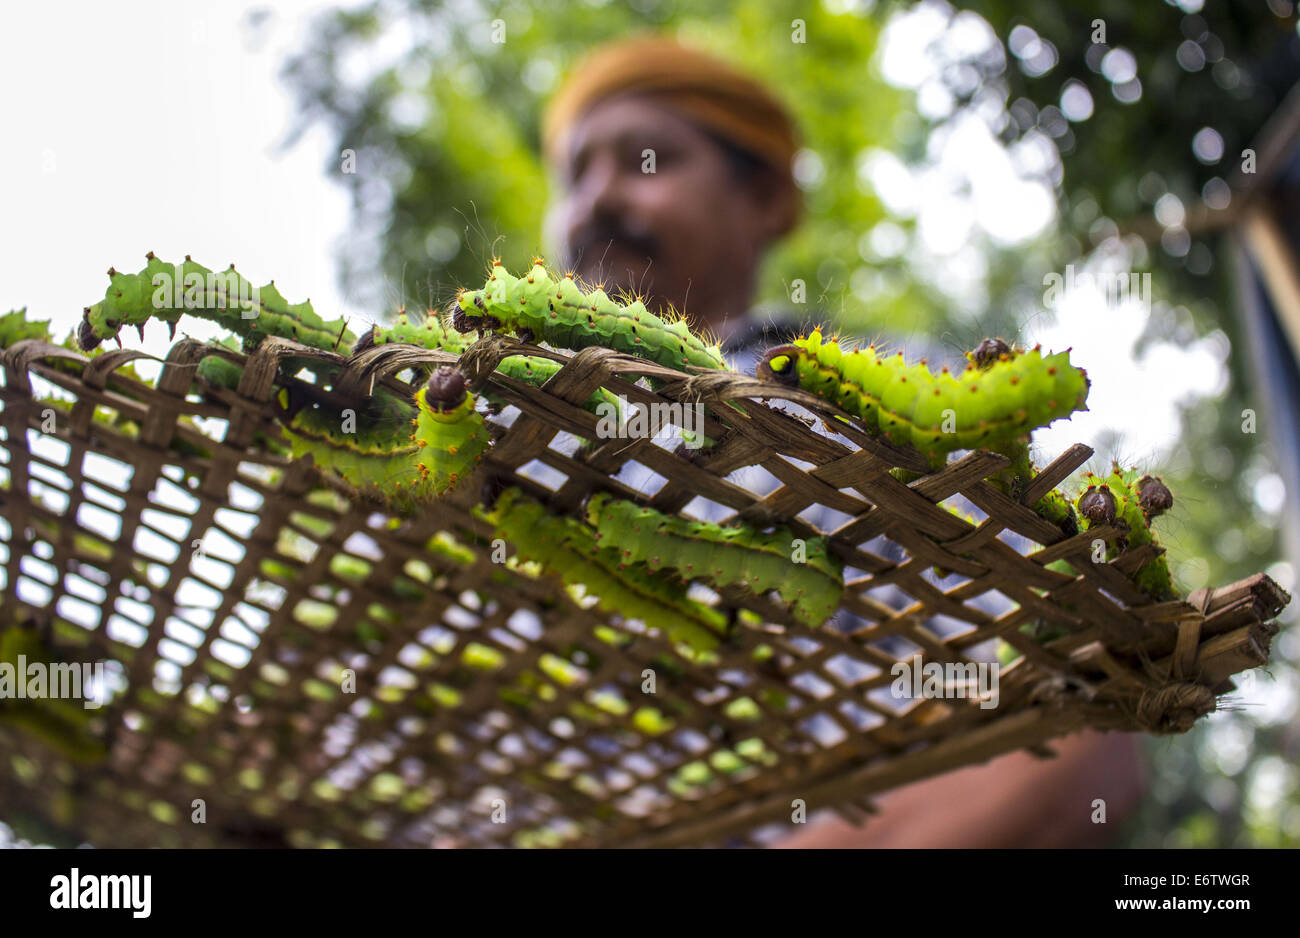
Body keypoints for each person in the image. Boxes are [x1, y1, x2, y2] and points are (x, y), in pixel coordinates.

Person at [540, 35, 1144, 848]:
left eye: (645, 161)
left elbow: (1078, 732)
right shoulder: (508, 439)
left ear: (763, 199)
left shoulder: (889, 396)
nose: (598, 200)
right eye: (576, 174)